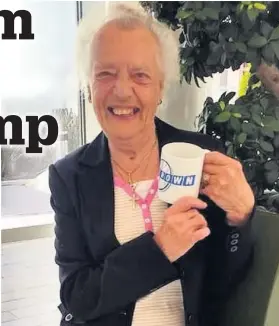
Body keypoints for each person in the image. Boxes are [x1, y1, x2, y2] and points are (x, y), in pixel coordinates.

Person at [49, 3, 255, 326]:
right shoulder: (69, 177)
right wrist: (159, 248)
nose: (121, 90)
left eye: (140, 75)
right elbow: (77, 296)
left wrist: (240, 218)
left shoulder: (200, 156)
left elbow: (224, 280)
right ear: (88, 88)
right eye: (105, 73)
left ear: (161, 87)